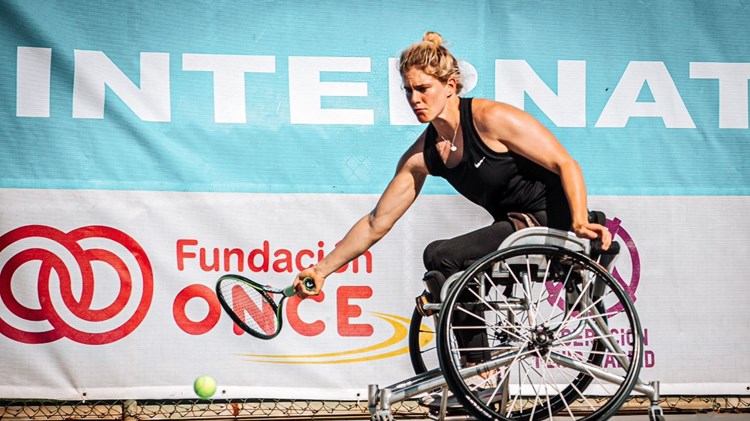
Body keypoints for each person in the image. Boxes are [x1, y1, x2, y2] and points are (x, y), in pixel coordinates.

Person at [293, 32, 611, 362]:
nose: (414, 98)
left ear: (451, 85)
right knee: (441, 265)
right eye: (408, 90)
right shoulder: (423, 156)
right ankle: (473, 367)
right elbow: (377, 222)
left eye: (422, 88)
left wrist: (578, 220)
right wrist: (321, 271)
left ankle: (477, 366)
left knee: (443, 255)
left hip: (551, 219)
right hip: (514, 227)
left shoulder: (491, 119)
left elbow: (565, 163)